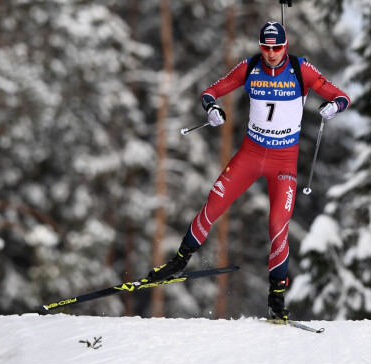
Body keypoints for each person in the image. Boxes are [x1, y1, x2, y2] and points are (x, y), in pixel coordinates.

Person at [147, 21, 350, 320]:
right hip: (251, 154)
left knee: (278, 221)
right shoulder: (250, 67)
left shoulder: (300, 69)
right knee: (214, 204)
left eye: (276, 48)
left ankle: (276, 297)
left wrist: (333, 107)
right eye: (265, 48)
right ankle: (178, 261)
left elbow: (341, 96)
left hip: (284, 161)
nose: (270, 54)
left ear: (286, 45)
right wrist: (212, 110)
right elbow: (211, 92)